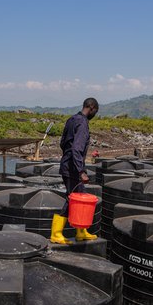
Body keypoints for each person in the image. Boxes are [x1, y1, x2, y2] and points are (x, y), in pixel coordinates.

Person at [50, 97, 99, 244]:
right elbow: (77, 149)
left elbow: (63, 143)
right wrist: (81, 171)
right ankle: (56, 233)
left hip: (67, 164)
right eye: (95, 111)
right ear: (92, 108)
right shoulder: (83, 123)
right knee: (72, 199)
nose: (94, 114)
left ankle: (81, 231)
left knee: (79, 196)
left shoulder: (72, 119)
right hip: (72, 168)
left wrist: (67, 157)